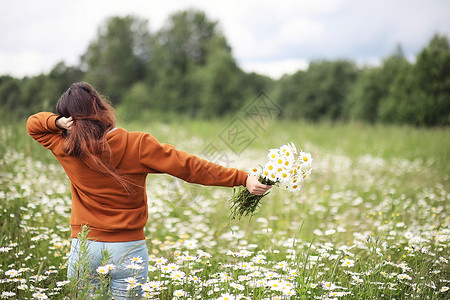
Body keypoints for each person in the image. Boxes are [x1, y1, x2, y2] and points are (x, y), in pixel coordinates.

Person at [26, 82, 271, 299]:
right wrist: (243, 178)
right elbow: (191, 167)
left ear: (69, 119)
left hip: (84, 248)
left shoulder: (65, 147)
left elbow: (33, 124)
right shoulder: (137, 144)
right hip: (128, 249)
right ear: (100, 109)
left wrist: (56, 122)